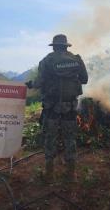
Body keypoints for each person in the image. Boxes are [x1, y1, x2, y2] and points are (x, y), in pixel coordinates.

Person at [26, 34, 88, 183]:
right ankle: (71, 175)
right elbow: (85, 80)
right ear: (66, 46)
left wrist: (30, 85)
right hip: (70, 106)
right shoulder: (76, 60)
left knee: (50, 138)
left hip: (51, 107)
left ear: (54, 46)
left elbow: (39, 83)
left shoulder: (47, 61)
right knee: (70, 139)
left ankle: (49, 175)